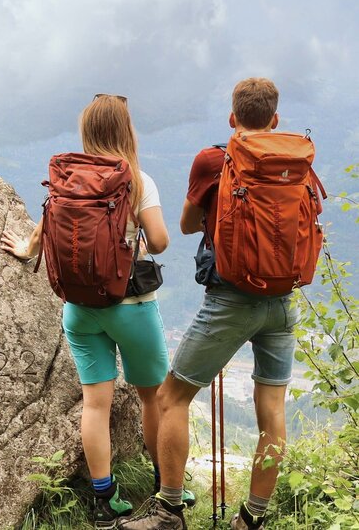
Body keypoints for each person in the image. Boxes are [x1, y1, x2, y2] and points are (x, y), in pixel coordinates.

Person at [1, 94, 190, 530]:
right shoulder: (137, 180)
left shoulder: (69, 177)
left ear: (87, 132)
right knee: (154, 398)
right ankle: (166, 490)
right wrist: (134, 241)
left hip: (79, 309)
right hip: (132, 307)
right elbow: (160, 242)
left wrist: (26, 248)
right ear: (126, 131)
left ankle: (105, 504)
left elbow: (46, 226)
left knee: (95, 405)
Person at [119, 78, 298, 530]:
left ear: (232, 118)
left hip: (231, 299)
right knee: (272, 414)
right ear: (275, 120)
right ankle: (251, 520)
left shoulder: (214, 158)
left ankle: (169, 515)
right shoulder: (295, 160)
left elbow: (183, 225)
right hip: (283, 300)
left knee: (171, 397)